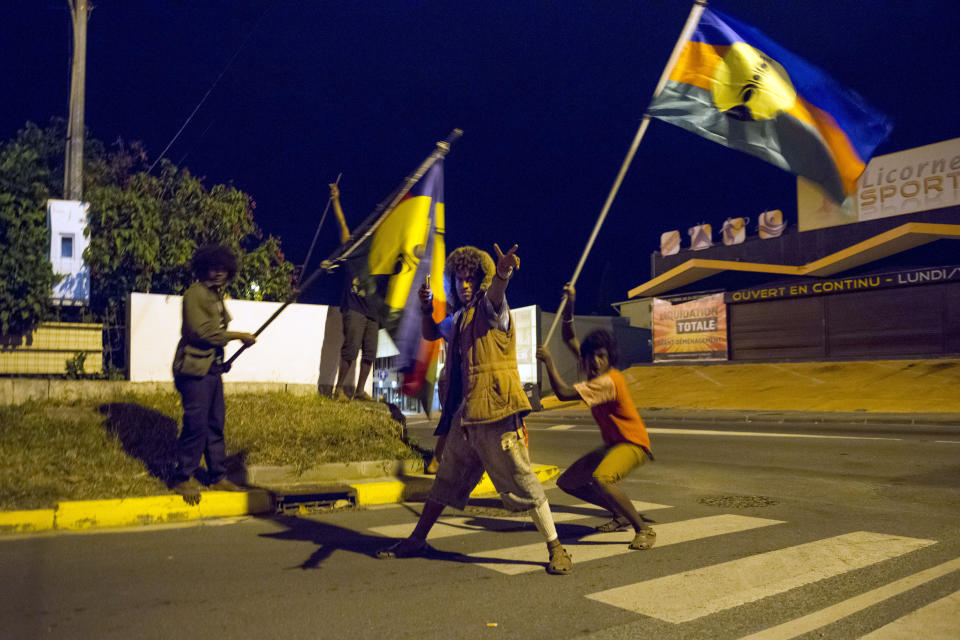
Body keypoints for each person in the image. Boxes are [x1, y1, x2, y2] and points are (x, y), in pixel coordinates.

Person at [376, 244, 573, 575]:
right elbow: (432, 333)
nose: (465, 285)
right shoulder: (459, 318)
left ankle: (556, 547)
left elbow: (497, 293)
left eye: (471, 278)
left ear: (480, 280)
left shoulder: (490, 308)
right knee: (445, 481)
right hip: (466, 418)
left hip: (497, 414)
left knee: (523, 481)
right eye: (459, 279)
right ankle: (417, 539)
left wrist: (503, 273)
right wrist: (426, 310)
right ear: (451, 283)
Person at [535, 283, 656, 550]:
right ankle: (619, 514)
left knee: (602, 478)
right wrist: (571, 304)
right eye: (592, 357)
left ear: (608, 357)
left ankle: (643, 529)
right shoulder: (593, 370)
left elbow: (565, 394)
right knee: (568, 482)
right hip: (613, 445)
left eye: (602, 357)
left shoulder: (608, 381)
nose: (596, 362)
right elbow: (568, 337)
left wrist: (550, 363)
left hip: (633, 444)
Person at [170, 244, 256, 505]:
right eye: (214, 268)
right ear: (204, 267)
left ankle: (217, 476)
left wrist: (222, 362)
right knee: (196, 424)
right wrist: (238, 336)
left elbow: (215, 334)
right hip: (193, 370)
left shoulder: (216, 296)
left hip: (211, 369)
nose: (219, 273)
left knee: (215, 424)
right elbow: (202, 332)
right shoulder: (194, 294)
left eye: (223, 269)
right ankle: (181, 477)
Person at [329, 182, 378, 401]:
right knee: (351, 348)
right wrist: (336, 200)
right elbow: (342, 224)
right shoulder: (352, 251)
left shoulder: (379, 257)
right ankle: (339, 389)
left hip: (373, 311)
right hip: (354, 306)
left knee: (370, 352)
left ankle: (359, 391)